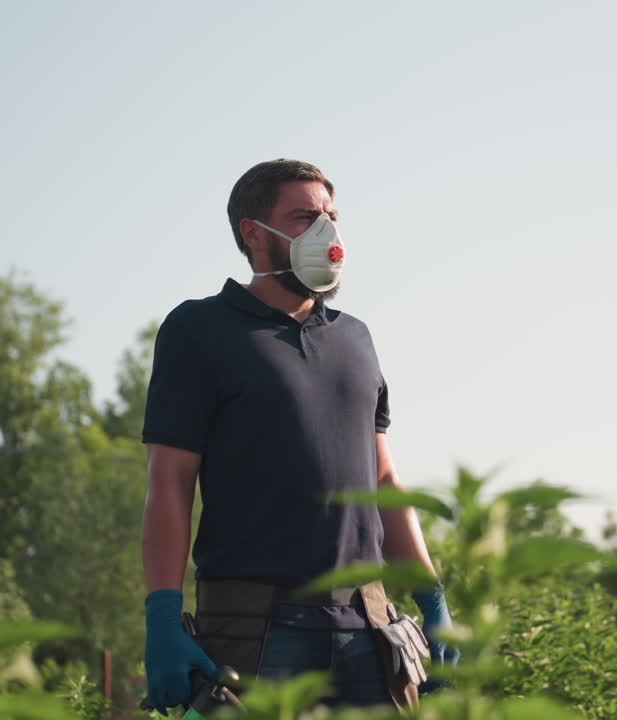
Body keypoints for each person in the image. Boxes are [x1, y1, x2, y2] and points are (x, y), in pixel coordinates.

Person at [140, 159, 458, 714]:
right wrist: (162, 618)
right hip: (256, 628)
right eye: (306, 217)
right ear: (253, 232)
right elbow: (170, 481)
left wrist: (432, 599)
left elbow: (383, 479)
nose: (327, 233)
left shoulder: (355, 338)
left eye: (332, 217)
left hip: (368, 624)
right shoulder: (198, 330)